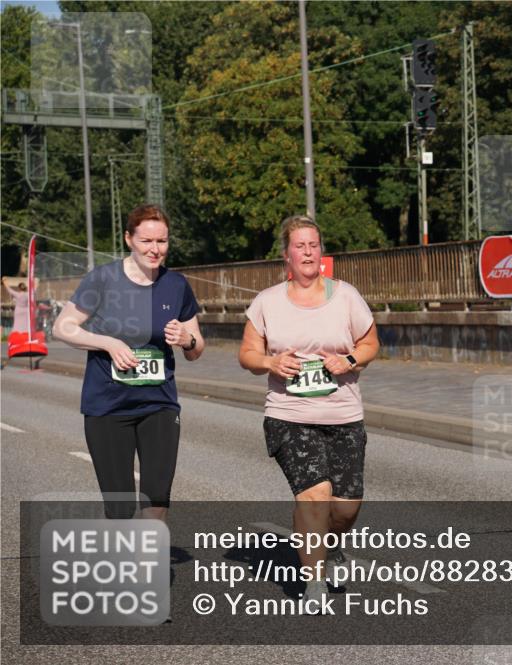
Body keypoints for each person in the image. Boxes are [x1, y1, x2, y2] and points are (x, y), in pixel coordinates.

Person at [238, 215, 379, 605]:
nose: (307, 252)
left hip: (343, 415)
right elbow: (247, 354)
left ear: (321, 251)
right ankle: (314, 580)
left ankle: (330, 546)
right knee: (314, 494)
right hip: (289, 413)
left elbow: (370, 344)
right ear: (286, 254)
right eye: (299, 246)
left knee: (346, 506)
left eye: (313, 245)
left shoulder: (346, 295)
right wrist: (270, 363)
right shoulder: (267, 302)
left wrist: (349, 359)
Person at [54, 204, 204, 520]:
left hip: (159, 405)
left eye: (161, 241)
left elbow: (195, 348)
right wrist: (107, 342)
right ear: (128, 239)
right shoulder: (103, 280)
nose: (155, 249)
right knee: (120, 509)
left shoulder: (176, 285)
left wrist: (186, 339)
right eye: (146, 241)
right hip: (109, 407)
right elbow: (63, 327)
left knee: (157, 501)